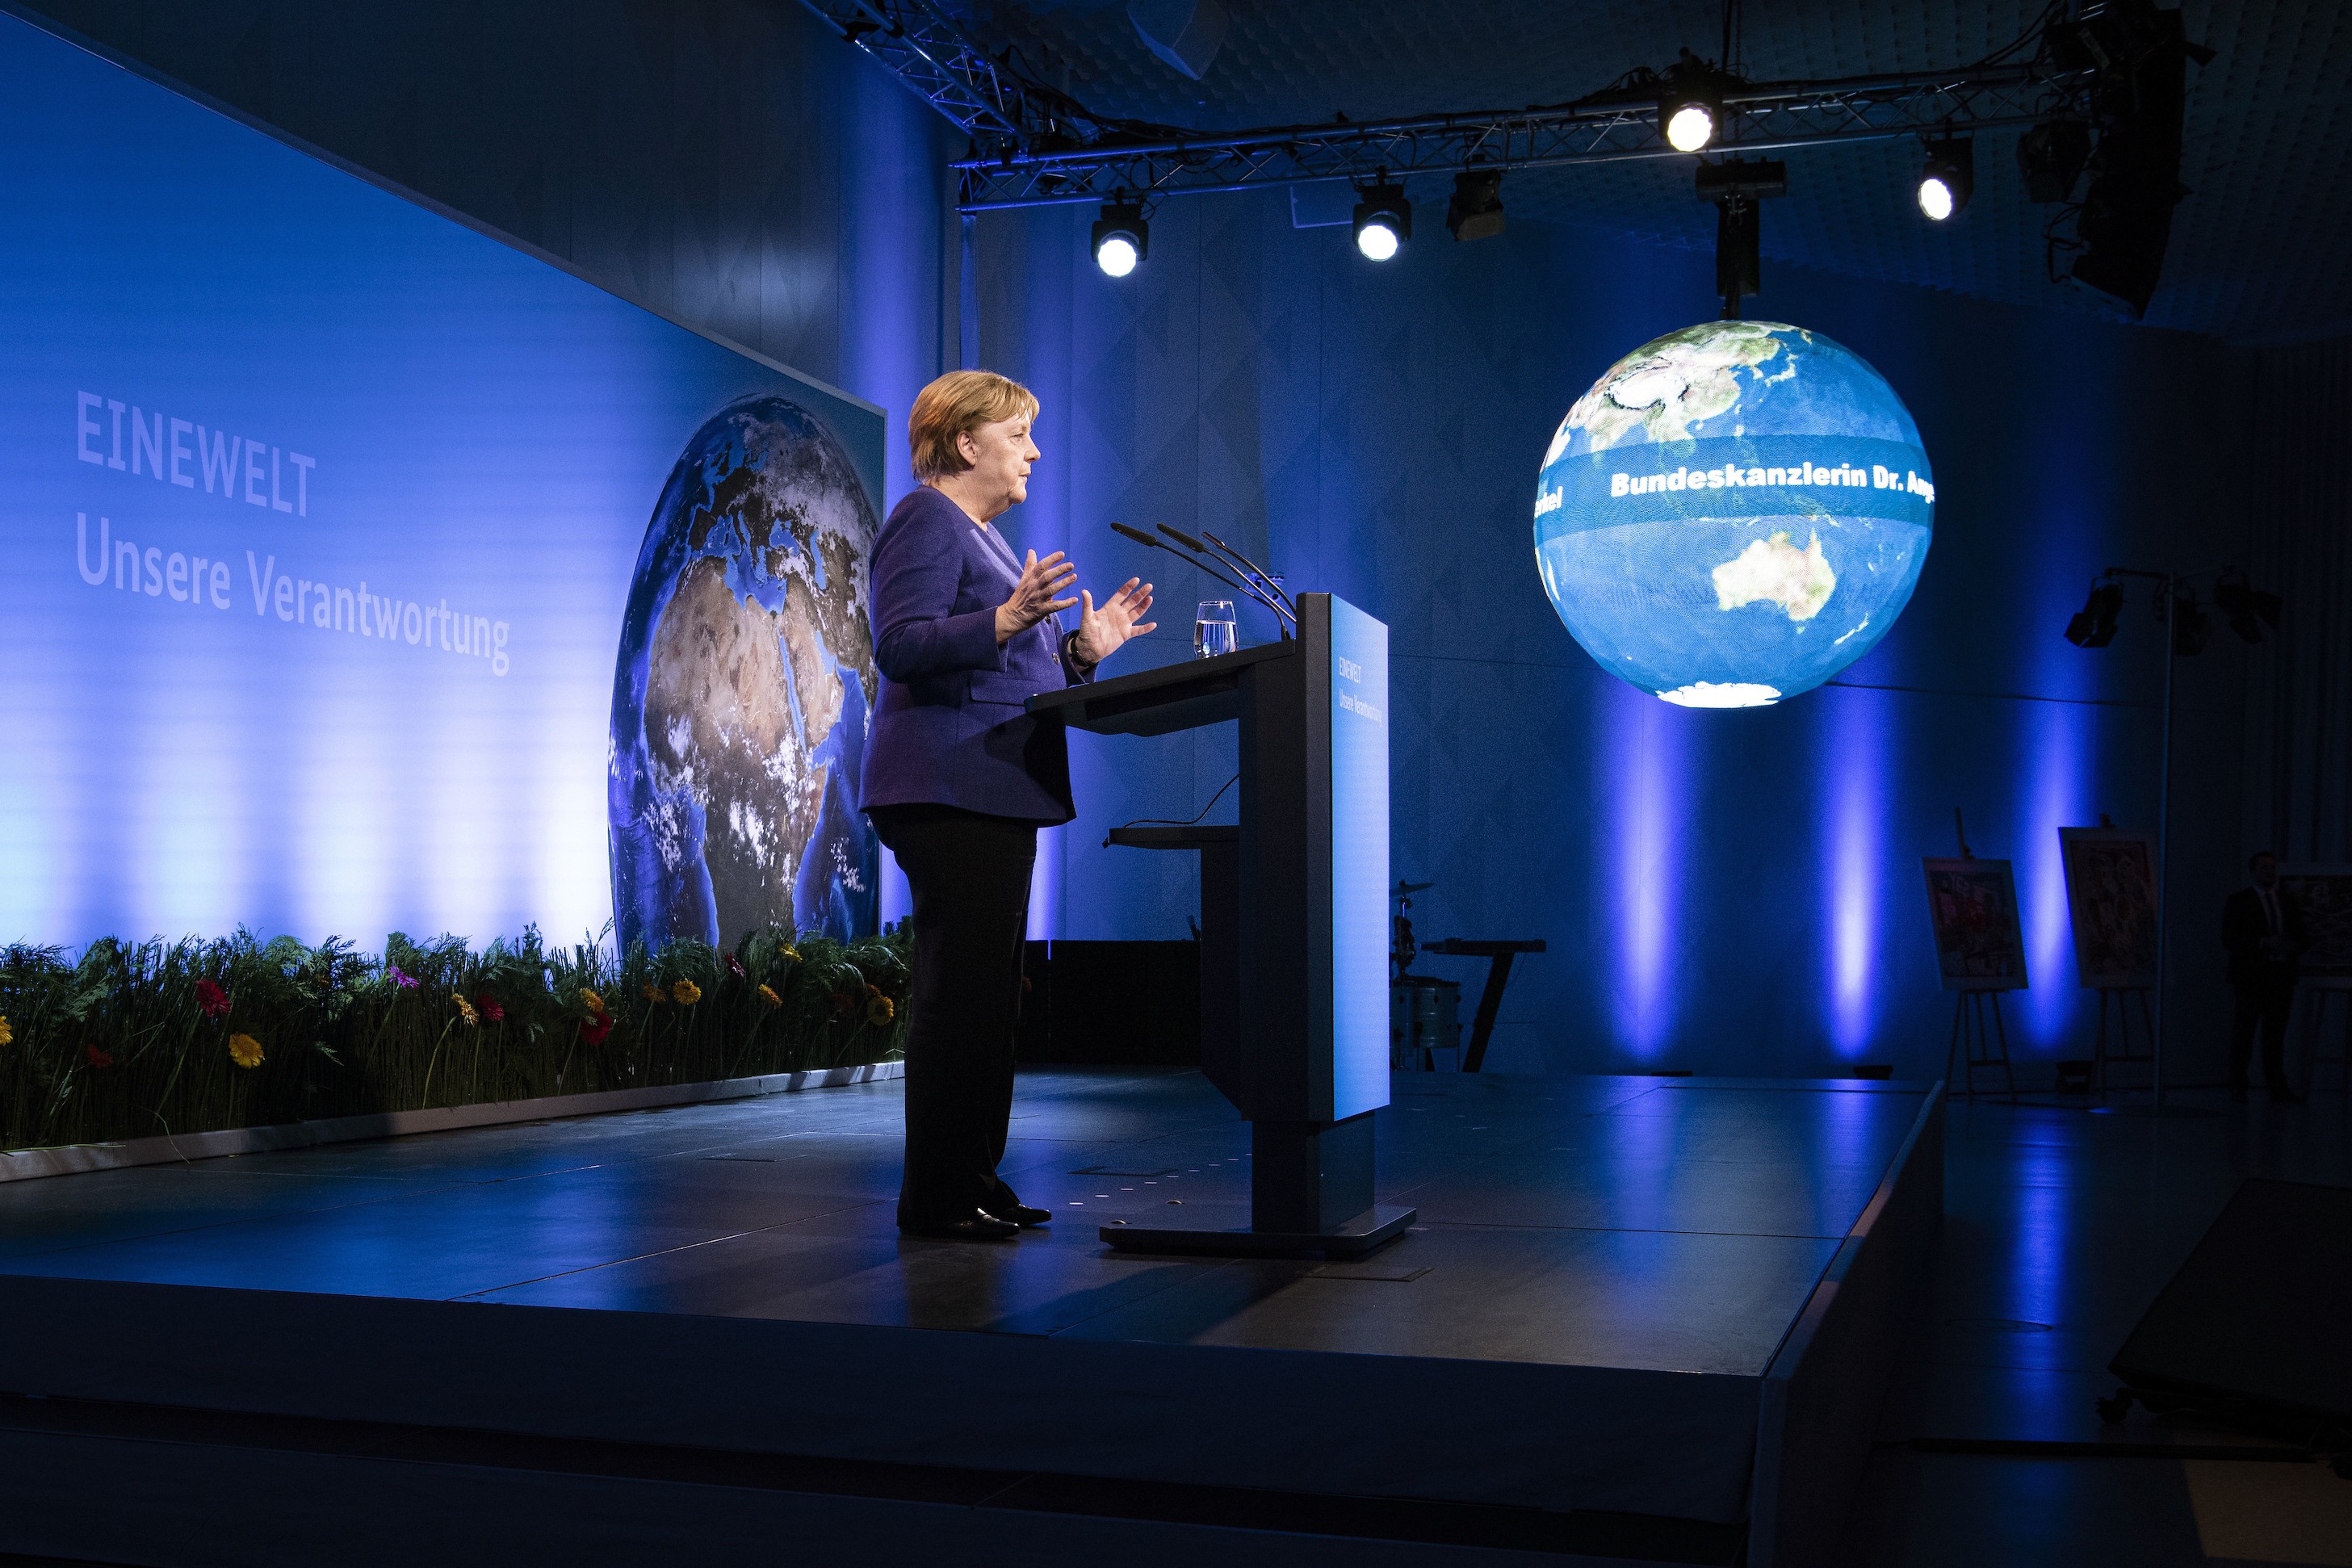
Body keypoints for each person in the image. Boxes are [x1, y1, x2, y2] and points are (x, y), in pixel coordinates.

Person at [861, 370, 1155, 1240]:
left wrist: (1078, 649)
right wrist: (1005, 620)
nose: (1033, 451)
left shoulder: (983, 541)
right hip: (946, 785)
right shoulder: (927, 518)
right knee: (961, 997)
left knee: (992, 999)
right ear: (964, 442)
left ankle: (974, 1179)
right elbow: (901, 646)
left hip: (988, 787)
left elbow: (1010, 671)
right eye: (1017, 433)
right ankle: (938, 1196)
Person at [2222, 850, 2305, 1103]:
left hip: (2281, 976)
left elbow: (2303, 935)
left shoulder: (2287, 901)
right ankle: (2238, 1084)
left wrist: (2291, 945)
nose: (2270, 871)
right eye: (2265, 867)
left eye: (2272, 867)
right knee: (2244, 1033)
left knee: (2276, 1035)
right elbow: (2230, 939)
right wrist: (2263, 943)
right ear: (2253, 871)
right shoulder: (2239, 901)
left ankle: (2276, 1085)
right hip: (2251, 977)